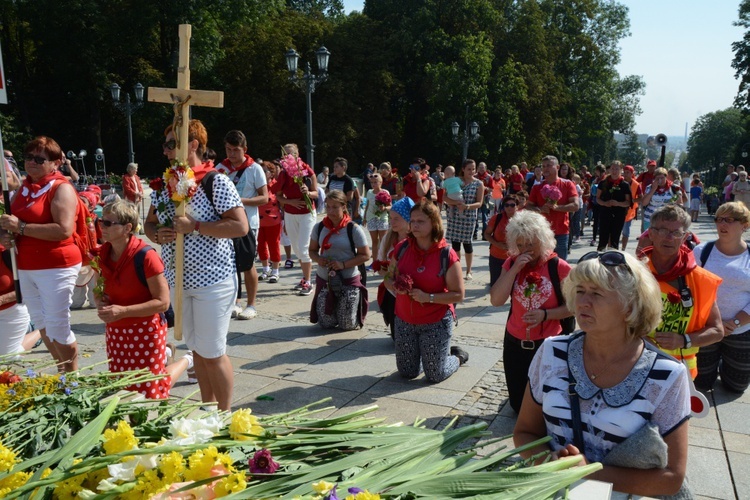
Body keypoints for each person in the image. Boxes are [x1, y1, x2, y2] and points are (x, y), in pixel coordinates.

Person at [514, 250, 692, 498]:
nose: (582, 302)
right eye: (579, 291)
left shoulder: (666, 375)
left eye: (596, 293)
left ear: (630, 305)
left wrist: (586, 472)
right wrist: (548, 461)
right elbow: (525, 432)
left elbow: (671, 479)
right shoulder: (551, 352)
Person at [145, 119, 248, 411]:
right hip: (179, 280)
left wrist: (196, 226)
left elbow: (240, 226)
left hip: (213, 280)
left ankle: (225, 414)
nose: (165, 151)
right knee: (197, 351)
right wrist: (158, 234)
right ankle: (207, 408)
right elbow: (149, 224)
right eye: (165, 144)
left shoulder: (215, 180)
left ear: (192, 145)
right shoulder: (165, 184)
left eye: (170, 144)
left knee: (213, 351)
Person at [0, 136, 82, 372]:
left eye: (39, 158)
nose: (32, 162)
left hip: (57, 265)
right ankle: (62, 371)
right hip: (26, 265)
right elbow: (15, 226)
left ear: (56, 163)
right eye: (28, 157)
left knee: (58, 325)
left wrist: (21, 228)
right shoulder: (24, 187)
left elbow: (64, 229)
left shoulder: (61, 188)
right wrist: (9, 235)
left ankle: (72, 377)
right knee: (44, 324)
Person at [96, 200, 191, 398]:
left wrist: (122, 311)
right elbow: (99, 288)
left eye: (107, 223)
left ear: (127, 228)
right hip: (116, 330)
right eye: (100, 221)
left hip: (145, 329)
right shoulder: (102, 253)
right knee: (122, 385)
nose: (101, 227)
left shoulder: (146, 256)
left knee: (151, 390)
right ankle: (167, 355)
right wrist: (100, 301)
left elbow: (163, 303)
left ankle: (188, 360)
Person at [489, 210, 572, 413]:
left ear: (542, 240)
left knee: (546, 405)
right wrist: (515, 269)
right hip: (515, 340)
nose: (525, 249)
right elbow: (496, 300)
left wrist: (546, 315)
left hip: (547, 343)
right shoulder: (511, 263)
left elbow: (575, 307)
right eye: (520, 244)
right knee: (517, 407)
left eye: (530, 244)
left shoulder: (559, 267)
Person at [384, 199, 468, 382]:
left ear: (434, 223)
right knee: (407, 372)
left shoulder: (446, 254)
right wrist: (396, 286)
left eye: (420, 221)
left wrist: (427, 297)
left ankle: (457, 357)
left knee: (435, 374)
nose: (414, 225)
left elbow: (459, 295)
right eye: (412, 221)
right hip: (404, 319)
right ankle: (431, 355)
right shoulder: (403, 247)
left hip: (435, 321)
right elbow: (387, 278)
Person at [641, 204, 723, 379]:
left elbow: (717, 330)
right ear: (651, 233)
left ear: (685, 237)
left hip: (680, 374)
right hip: (635, 365)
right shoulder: (633, 274)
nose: (669, 238)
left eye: (676, 233)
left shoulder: (701, 280)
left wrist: (684, 340)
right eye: (662, 230)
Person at [693, 202, 750, 393]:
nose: (721, 224)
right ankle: (713, 364)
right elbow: (691, 288)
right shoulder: (702, 251)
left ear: (745, 225)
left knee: (736, 386)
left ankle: (727, 365)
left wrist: (734, 322)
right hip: (706, 326)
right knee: (701, 383)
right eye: (718, 219)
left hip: (741, 328)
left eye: (729, 220)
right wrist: (715, 323)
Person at [309, 190, 371, 330]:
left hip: (348, 279)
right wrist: (319, 259)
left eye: (335, 207)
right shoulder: (319, 227)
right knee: (326, 324)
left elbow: (365, 255)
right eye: (328, 206)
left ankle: (348, 313)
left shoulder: (353, 229)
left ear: (344, 207)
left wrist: (342, 264)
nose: (330, 211)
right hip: (325, 279)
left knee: (347, 325)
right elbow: (312, 251)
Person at [224, 130, 268, 320]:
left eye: (235, 150)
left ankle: (251, 304)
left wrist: (239, 201)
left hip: (248, 223)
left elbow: (264, 197)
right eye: (228, 149)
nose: (231, 154)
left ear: (245, 149)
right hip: (226, 224)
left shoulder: (254, 169)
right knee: (229, 264)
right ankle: (236, 301)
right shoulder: (220, 168)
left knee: (247, 263)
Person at [272, 144, 319, 296]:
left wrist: (308, 192)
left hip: (307, 213)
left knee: (304, 247)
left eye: (290, 154)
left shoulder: (306, 170)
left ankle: (308, 281)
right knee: (297, 248)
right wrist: (290, 202)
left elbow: (316, 193)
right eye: (285, 154)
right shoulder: (284, 173)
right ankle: (304, 278)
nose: (287, 157)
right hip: (291, 213)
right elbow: (277, 195)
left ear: (297, 155)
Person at [375, 197, 414, 338]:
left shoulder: (417, 239)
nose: (392, 222)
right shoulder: (388, 238)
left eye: (396, 219)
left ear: (408, 219)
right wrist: (387, 274)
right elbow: (380, 263)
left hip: (413, 291)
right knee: (396, 337)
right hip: (392, 291)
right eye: (390, 218)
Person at [527, 155, 579, 261]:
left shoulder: (567, 184)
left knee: (559, 266)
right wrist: (540, 209)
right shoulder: (537, 187)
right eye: (544, 166)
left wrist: (556, 207)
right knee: (541, 265)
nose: (545, 168)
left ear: (557, 167)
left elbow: (575, 206)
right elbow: (528, 206)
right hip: (541, 233)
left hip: (561, 233)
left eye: (549, 166)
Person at [444, 159, 484, 280]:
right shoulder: (455, 181)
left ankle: (469, 270)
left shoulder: (479, 184)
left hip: (469, 217)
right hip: (454, 216)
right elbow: (445, 197)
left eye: (473, 169)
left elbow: (479, 203)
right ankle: (457, 269)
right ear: (463, 169)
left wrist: (466, 206)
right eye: (469, 169)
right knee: (455, 244)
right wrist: (456, 203)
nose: (471, 171)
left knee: (467, 243)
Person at [0, 244, 42, 355]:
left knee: (6, 357)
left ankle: (41, 329)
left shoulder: (8, 254)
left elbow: (32, 287)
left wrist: (2, 299)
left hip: (11, 311)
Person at [595, 161, 631, 252]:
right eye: (613, 168)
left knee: (615, 239)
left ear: (621, 170)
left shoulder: (624, 185)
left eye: (617, 169)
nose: (614, 171)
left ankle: (613, 259)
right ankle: (599, 259)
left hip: (618, 214)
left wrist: (618, 203)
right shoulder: (603, 183)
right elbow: (597, 199)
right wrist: (605, 203)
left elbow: (628, 202)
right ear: (609, 170)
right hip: (605, 213)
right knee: (603, 239)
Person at [484, 194, 519, 287]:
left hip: (515, 259)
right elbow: (486, 234)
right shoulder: (497, 218)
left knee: (514, 287)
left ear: (517, 206)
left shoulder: (522, 220)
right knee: (496, 285)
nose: (509, 207)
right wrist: (497, 244)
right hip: (496, 257)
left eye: (512, 205)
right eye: (506, 205)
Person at [257, 161, 283, 284]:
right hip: (258, 221)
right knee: (261, 245)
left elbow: (282, 202)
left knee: (274, 245)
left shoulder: (276, 185)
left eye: (265, 171)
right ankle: (265, 269)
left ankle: (275, 271)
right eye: (260, 170)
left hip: (274, 221)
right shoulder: (256, 186)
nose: (262, 173)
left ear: (271, 173)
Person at [362, 173, 390, 268]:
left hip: (382, 218)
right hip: (371, 218)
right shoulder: (369, 192)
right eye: (372, 182)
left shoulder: (385, 192)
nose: (373, 184)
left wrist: (385, 207)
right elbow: (367, 205)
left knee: (383, 241)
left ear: (381, 182)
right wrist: (364, 217)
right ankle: (375, 263)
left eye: (375, 182)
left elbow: (390, 206)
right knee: (374, 241)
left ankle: (384, 261)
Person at [620, 165, 642, 250]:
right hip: (617, 209)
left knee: (625, 232)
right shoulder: (619, 181)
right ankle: (612, 249)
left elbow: (641, 197)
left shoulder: (636, 185)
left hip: (629, 212)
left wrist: (632, 201)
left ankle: (623, 249)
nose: (625, 174)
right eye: (624, 172)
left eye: (627, 173)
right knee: (615, 231)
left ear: (632, 173)